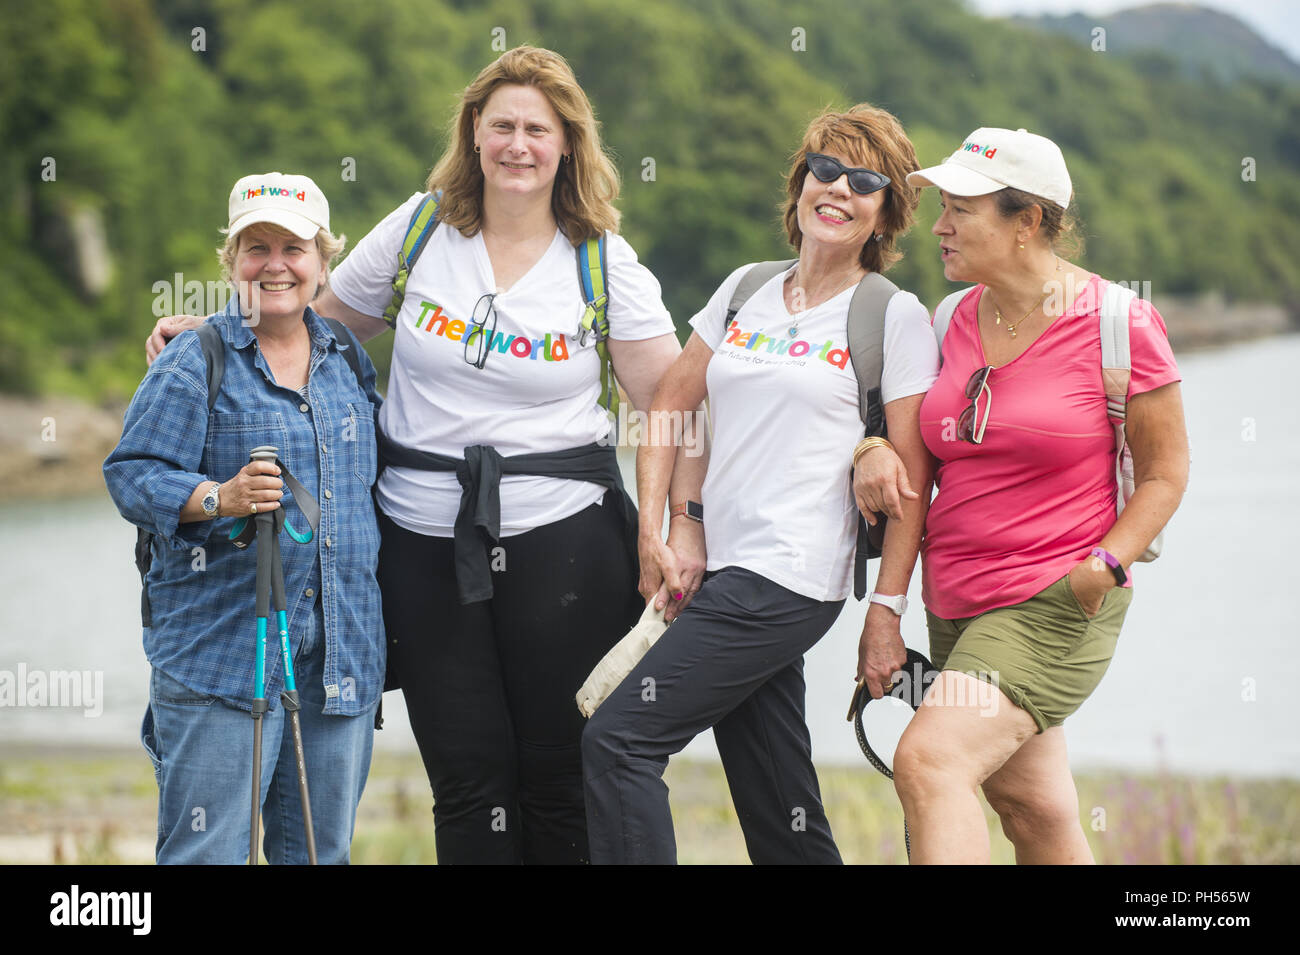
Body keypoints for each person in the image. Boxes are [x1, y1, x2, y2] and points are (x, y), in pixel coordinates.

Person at [147, 47, 700, 864]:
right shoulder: (422, 226)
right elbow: (310, 317)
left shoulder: (600, 259)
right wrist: (210, 331)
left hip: (567, 544)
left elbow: (673, 403)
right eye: (502, 124)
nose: (518, 143)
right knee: (467, 776)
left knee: (557, 772)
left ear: (567, 144)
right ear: (474, 132)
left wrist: (673, 524)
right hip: (420, 542)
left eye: (537, 129)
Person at [581, 104, 941, 864]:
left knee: (619, 739)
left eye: (866, 180)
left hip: (789, 575)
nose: (839, 188)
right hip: (722, 570)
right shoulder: (745, 289)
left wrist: (886, 614)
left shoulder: (891, 316)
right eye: (826, 168)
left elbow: (912, 485)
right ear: (801, 182)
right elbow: (673, 404)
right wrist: (668, 525)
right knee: (778, 800)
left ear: (887, 211)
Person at [877, 127, 1188, 863]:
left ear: (1029, 222)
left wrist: (1101, 570)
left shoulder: (1120, 324)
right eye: (941, 207)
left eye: (961, 209)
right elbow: (913, 469)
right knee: (1035, 809)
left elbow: (1167, 474)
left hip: (1054, 601)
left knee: (931, 760)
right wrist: (887, 608)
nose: (940, 226)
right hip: (955, 601)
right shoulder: (948, 320)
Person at [106, 173, 384, 864]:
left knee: (321, 855)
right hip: (220, 659)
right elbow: (132, 474)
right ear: (231, 262)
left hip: (338, 663)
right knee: (207, 855)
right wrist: (218, 497)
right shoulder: (191, 361)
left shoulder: (347, 360)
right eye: (255, 247)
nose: (275, 263)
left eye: (293, 246)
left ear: (323, 260)